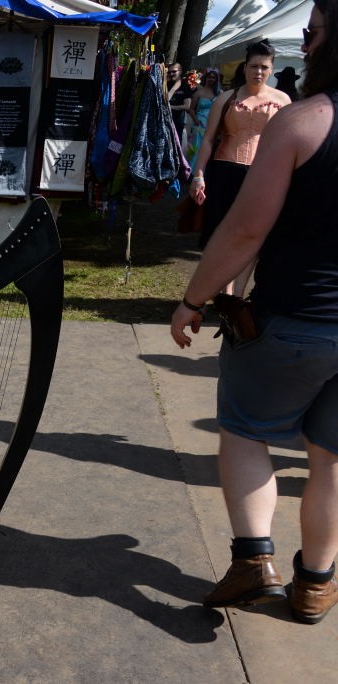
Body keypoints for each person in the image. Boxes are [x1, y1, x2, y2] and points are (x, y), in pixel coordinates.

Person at [170, 0, 338, 625]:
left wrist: (192, 301)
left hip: (293, 317)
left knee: (244, 429)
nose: (307, 43)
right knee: (330, 456)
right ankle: (317, 585)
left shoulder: (301, 123)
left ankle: (252, 562)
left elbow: (244, 232)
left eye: (313, 32)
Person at [189, 40, 291, 297]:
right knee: (225, 234)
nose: (259, 72)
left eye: (264, 67)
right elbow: (209, 139)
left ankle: (237, 296)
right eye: (254, 66)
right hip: (225, 172)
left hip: (262, 175)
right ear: (244, 68)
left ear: (271, 69)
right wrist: (198, 175)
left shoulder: (283, 100)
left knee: (255, 235)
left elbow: (289, 143)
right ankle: (225, 293)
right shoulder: (226, 99)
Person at [186, 67, 223, 169]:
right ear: (205, 78)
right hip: (199, 123)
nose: (211, 79)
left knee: (205, 148)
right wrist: (196, 120)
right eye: (209, 77)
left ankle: (200, 170)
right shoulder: (199, 92)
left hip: (212, 124)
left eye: (214, 77)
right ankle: (189, 169)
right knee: (194, 147)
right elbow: (191, 109)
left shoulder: (219, 93)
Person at [167, 62, 194, 144]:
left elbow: (187, 106)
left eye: (174, 71)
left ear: (180, 71)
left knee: (175, 144)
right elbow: (164, 101)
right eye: (169, 72)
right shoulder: (166, 85)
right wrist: (174, 89)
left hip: (177, 123)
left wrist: (171, 107)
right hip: (165, 121)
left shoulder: (185, 86)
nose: (171, 74)